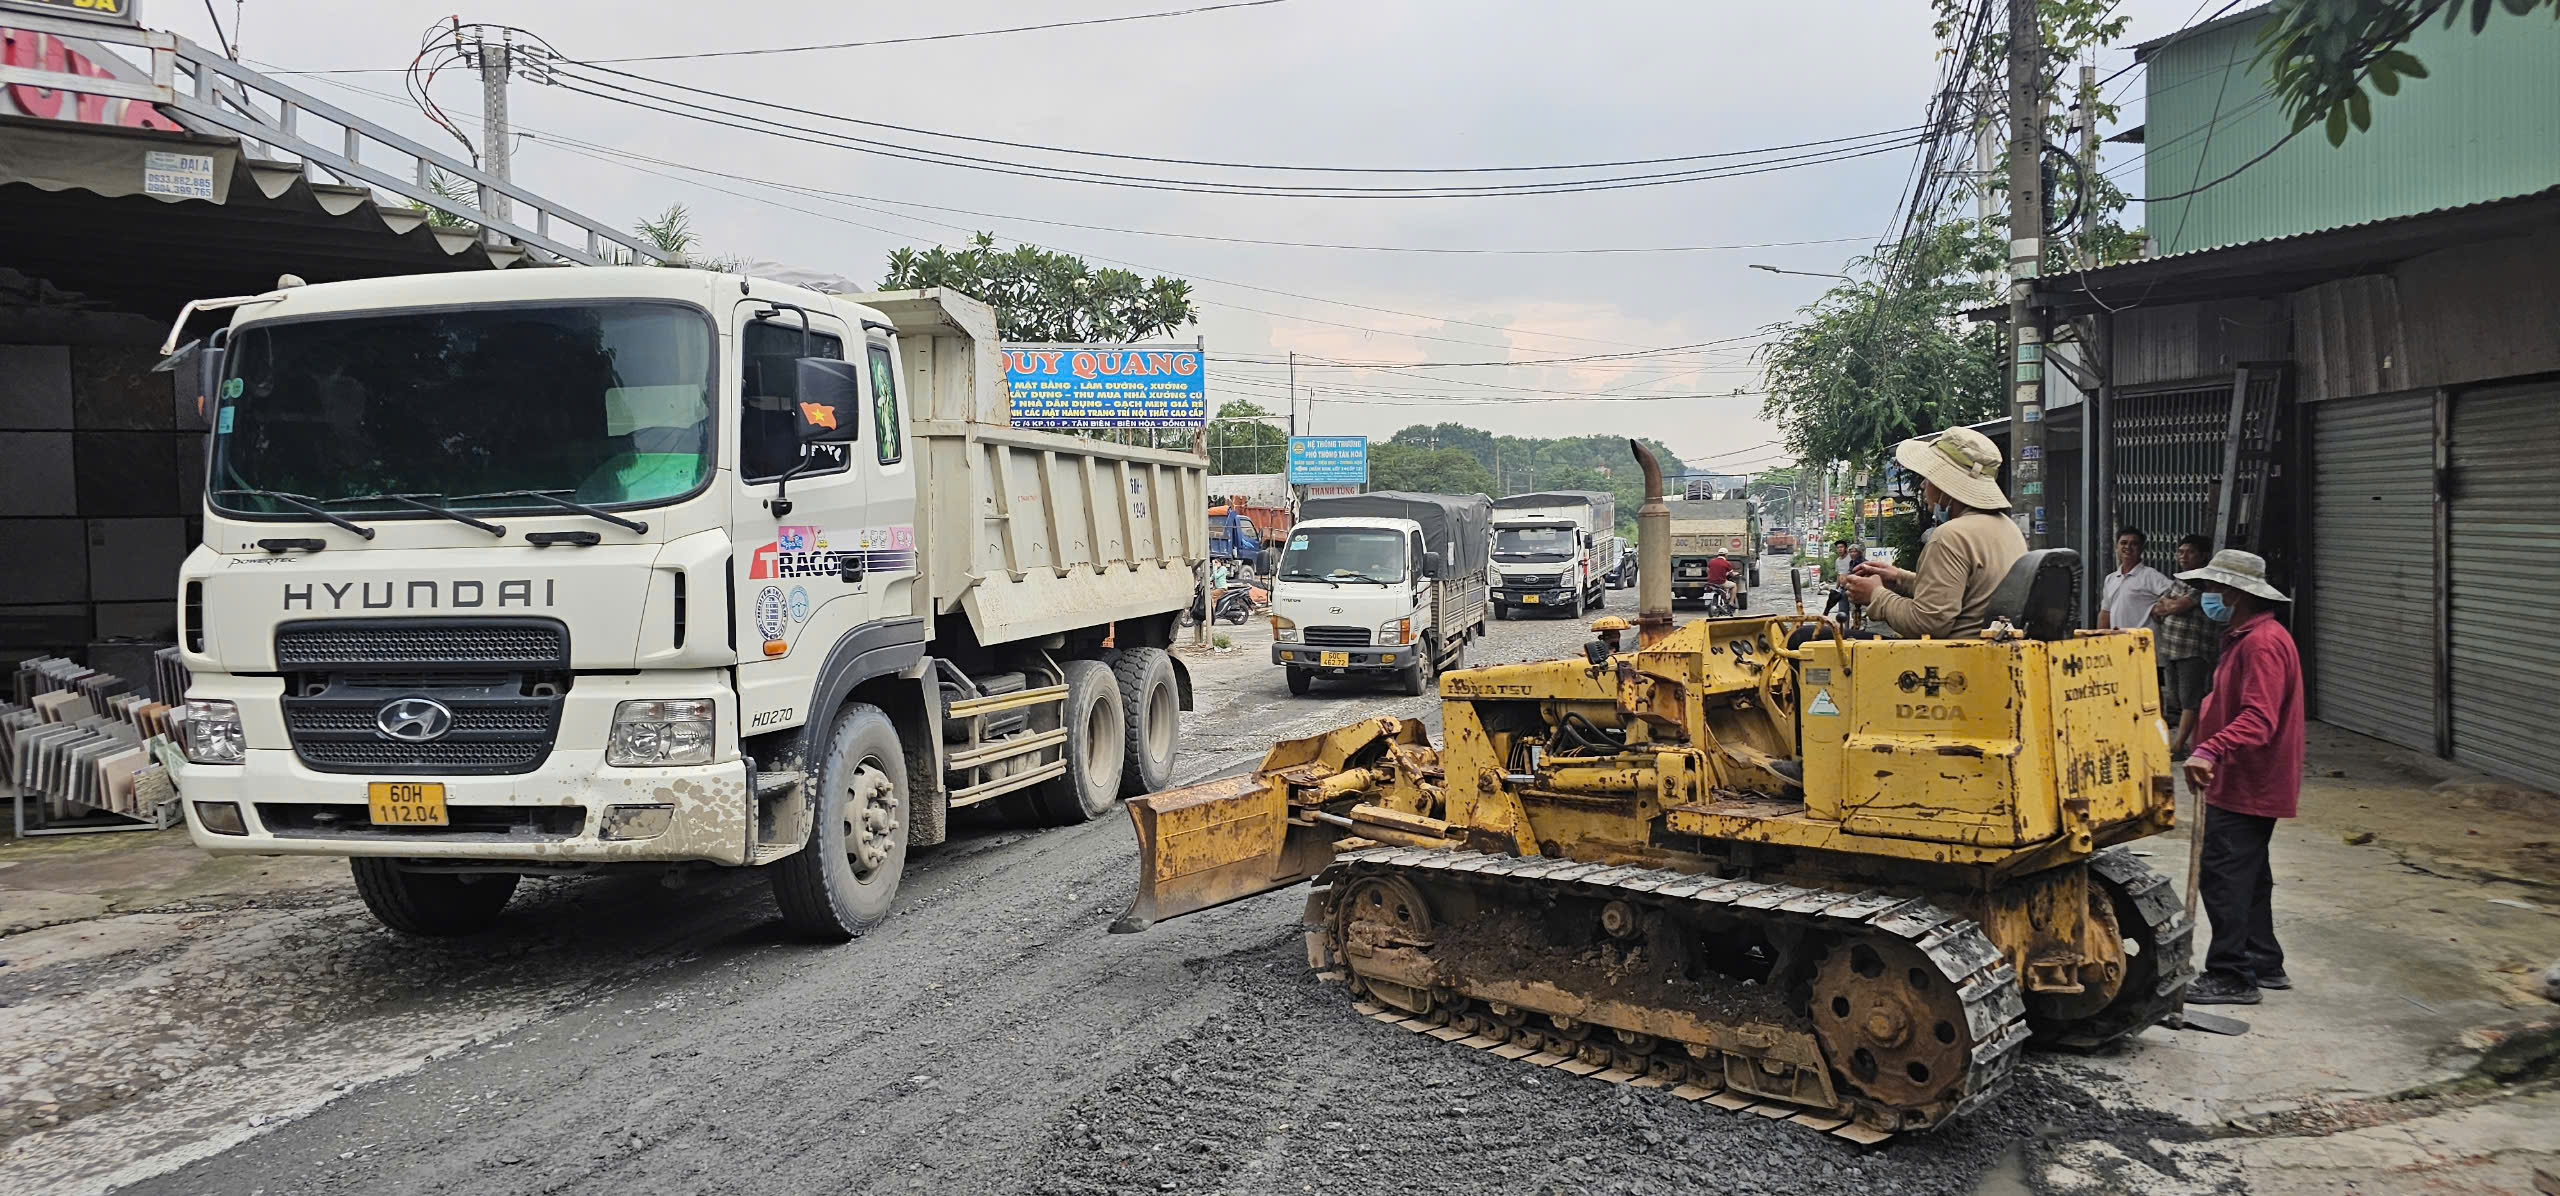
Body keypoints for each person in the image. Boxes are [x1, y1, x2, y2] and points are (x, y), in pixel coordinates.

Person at [2177, 548, 2306, 1006]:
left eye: (2213, 588)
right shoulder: (2245, 635)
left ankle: (2231, 973)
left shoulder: (2262, 642)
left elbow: (2259, 717)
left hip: (2248, 780)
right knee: (2250, 874)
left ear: (2233, 592)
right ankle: (2263, 960)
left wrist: (2211, 747)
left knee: (2224, 875)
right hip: (2243, 778)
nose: (2208, 596)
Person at [1841, 426, 2027, 639]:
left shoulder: (1950, 536)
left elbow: (1927, 623)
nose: (1922, 485)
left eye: (1928, 478)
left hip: (1951, 660)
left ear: (1945, 487)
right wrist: (1900, 579)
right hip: (1987, 651)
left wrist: (1875, 595)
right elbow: (1958, 592)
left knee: (1807, 637)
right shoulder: (2008, 528)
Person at [2149, 534, 2218, 756]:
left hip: (2193, 650)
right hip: (2171, 649)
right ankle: (2191, 741)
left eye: (2189, 552)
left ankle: (2179, 746)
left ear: (2203, 556)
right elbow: (2158, 608)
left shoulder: (2205, 583)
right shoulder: (2180, 580)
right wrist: (2171, 606)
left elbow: (2179, 606)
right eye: (2180, 552)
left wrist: (2171, 606)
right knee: (2177, 698)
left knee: (2191, 699)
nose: (2183, 556)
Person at [2097, 527, 2173, 632]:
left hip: (2143, 644)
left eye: (2134, 544)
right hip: (2118, 642)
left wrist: (2159, 609)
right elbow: (2105, 612)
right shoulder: (2110, 579)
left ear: (2141, 548)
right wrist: (2100, 641)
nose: (2128, 547)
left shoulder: (2150, 575)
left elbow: (2176, 595)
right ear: (2116, 547)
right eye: (2123, 543)